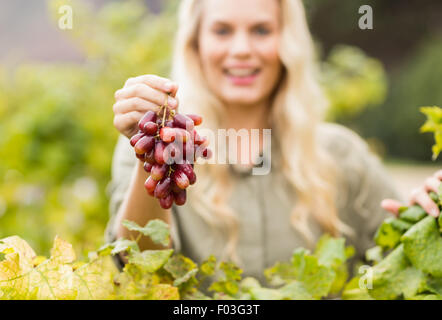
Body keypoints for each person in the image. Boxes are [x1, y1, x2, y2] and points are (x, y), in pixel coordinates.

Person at [106, 0, 442, 285]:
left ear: (288, 43)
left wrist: (429, 219)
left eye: (261, 31)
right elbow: (141, 272)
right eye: (222, 31)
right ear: (196, 44)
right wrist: (152, 159)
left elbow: (404, 265)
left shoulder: (342, 154)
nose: (241, 50)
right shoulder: (154, 146)